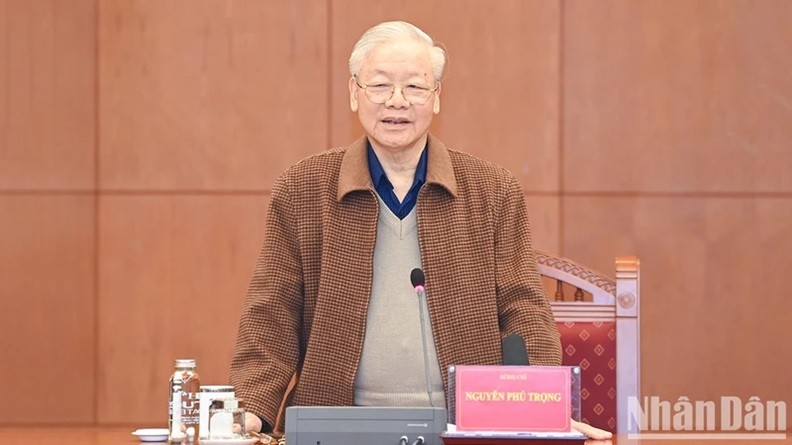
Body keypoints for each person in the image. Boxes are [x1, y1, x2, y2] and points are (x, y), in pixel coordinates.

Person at [230, 20, 610, 441]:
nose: (397, 102)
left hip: (461, 427)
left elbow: (522, 309)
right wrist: (250, 409)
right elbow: (271, 314)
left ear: (437, 98)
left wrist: (543, 406)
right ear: (354, 94)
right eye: (380, 86)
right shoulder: (303, 188)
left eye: (414, 87)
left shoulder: (491, 189)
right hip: (336, 425)